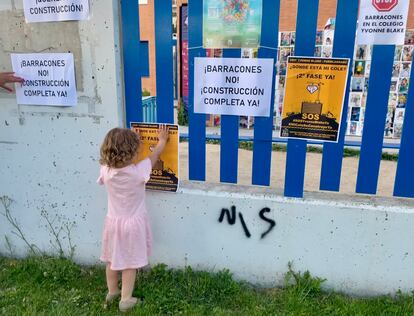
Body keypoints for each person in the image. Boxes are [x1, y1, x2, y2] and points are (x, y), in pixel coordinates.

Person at [97, 126, 169, 312]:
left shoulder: (106, 171)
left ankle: (112, 292)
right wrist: (161, 141)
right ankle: (126, 300)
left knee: (112, 261)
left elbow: (112, 160)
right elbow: (154, 156)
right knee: (129, 263)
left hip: (113, 223)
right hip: (132, 225)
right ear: (132, 151)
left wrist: (128, 141)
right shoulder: (138, 171)